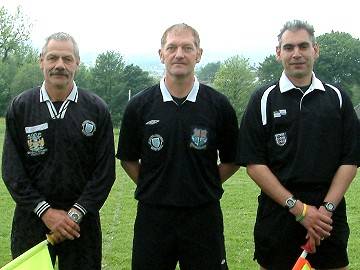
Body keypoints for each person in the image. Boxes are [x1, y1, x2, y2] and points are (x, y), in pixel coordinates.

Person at [236, 19, 360, 270]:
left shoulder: (337, 98)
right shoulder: (263, 99)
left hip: (328, 217)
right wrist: (300, 210)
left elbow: (350, 159)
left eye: (303, 46)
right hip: (279, 214)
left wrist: (324, 211)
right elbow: (254, 163)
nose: (296, 54)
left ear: (316, 50)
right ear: (278, 52)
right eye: (289, 47)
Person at [116, 23, 239, 270]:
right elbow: (128, 159)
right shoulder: (139, 106)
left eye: (187, 47)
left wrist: (203, 183)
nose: (179, 54)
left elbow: (232, 159)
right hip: (153, 217)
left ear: (199, 54)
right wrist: (155, 185)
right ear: (161, 54)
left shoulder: (218, 105)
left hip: (203, 215)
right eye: (171, 47)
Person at [2, 32, 115, 269]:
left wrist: (74, 214)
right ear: (41, 60)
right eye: (53, 58)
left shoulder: (96, 109)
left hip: (81, 225)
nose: (59, 65)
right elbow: (13, 172)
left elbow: (104, 174)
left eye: (67, 59)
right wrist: (46, 212)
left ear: (77, 63)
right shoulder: (21, 107)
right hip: (31, 221)